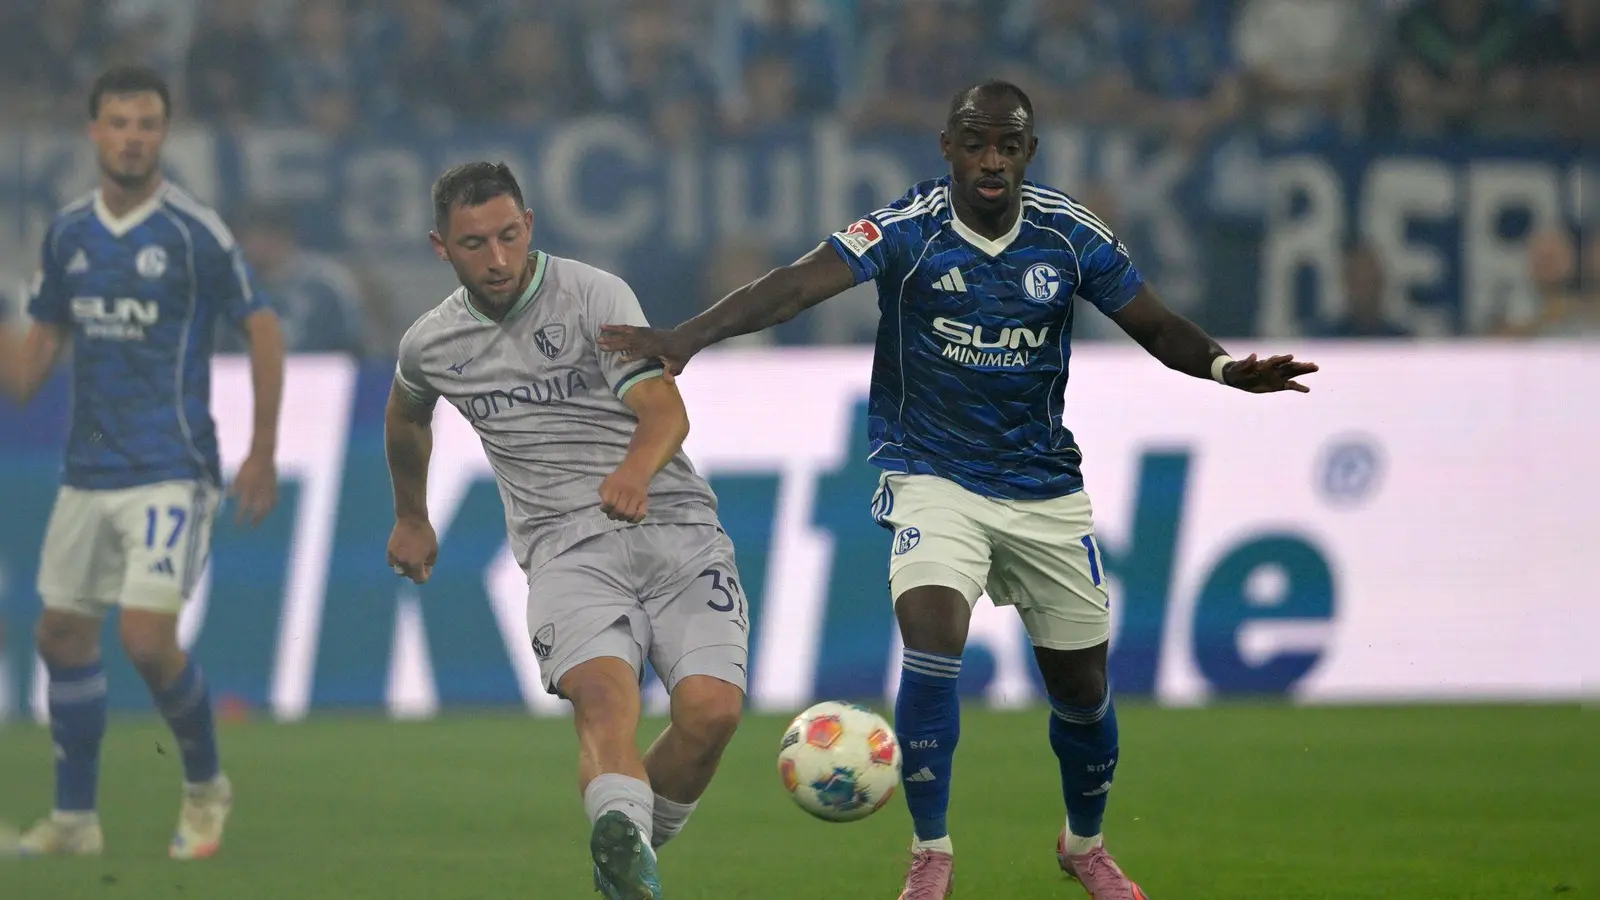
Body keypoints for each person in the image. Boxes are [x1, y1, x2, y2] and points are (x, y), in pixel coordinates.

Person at [599, 80, 1318, 900]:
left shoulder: (1068, 235)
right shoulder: (905, 231)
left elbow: (1151, 324)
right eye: (976, 143)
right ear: (947, 147)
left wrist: (1228, 368)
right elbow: (796, 285)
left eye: (1007, 147)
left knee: (1082, 691)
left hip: (1043, 486)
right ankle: (931, 852)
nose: (991, 160)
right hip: (930, 472)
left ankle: (1085, 845)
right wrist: (688, 337)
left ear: (1028, 155)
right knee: (933, 641)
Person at [385, 162, 748, 900]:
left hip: (674, 525)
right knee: (605, 699)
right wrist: (412, 516)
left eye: (509, 237)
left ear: (531, 226)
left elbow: (666, 411)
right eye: (474, 243)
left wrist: (635, 474)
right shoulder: (431, 345)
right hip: (564, 550)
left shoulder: (592, 295)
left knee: (712, 712)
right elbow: (406, 415)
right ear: (440, 248)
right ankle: (629, 867)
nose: (496, 259)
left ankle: (629, 845)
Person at [0, 65, 285, 860]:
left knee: (147, 641)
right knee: (60, 635)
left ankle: (204, 789)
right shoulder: (68, 236)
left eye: (147, 124)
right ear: (94, 132)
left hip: (171, 465)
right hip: (88, 472)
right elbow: (25, 376)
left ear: (164, 133)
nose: (133, 137)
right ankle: (74, 821)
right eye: (119, 123)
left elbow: (262, 326)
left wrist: (261, 450)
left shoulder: (193, 232)